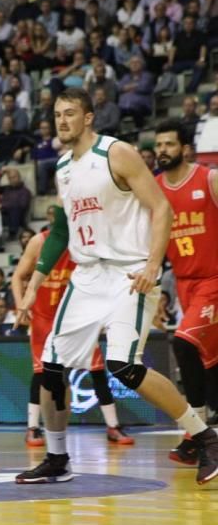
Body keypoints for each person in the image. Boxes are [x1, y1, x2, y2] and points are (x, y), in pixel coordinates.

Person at [16, 88, 218, 485]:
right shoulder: (62, 168)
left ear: (89, 117)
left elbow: (161, 207)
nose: (62, 121)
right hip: (87, 275)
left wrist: (152, 264)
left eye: (70, 113)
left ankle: (205, 437)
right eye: (57, 114)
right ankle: (57, 459)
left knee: (124, 367)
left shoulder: (116, 153)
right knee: (51, 367)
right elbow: (60, 231)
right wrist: (33, 285)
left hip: (129, 272)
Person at [11, 212, 133, 448]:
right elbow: (18, 276)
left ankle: (113, 426)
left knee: (97, 369)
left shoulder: (86, 243)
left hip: (77, 316)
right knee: (41, 372)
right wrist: (20, 306)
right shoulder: (39, 242)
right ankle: (32, 428)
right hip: (44, 317)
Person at [152, 121, 218, 465]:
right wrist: (159, 288)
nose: (162, 150)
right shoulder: (155, 190)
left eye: (169, 144)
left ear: (185, 149)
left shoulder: (208, 179)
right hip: (182, 284)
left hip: (213, 280)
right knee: (210, 362)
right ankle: (204, 434)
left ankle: (197, 435)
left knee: (184, 344)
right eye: (158, 144)